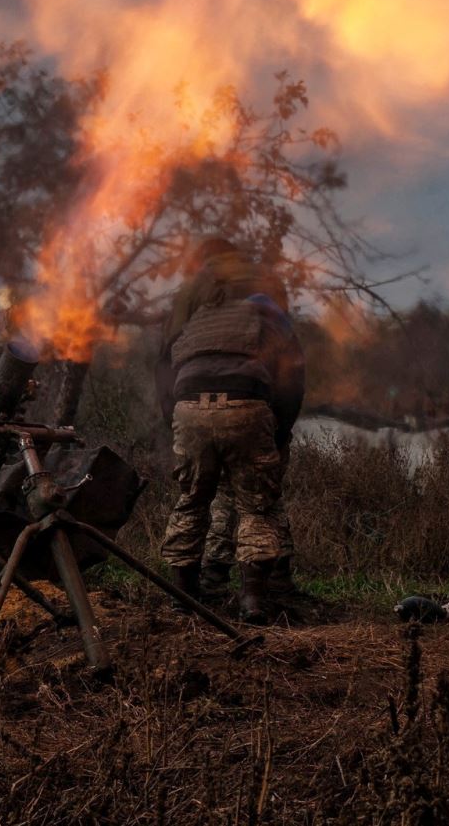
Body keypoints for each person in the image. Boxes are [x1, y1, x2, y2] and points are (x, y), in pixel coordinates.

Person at [158, 239, 303, 622]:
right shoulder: (266, 295)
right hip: (248, 402)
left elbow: (163, 366)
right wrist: (280, 429)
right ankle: (253, 601)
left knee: (191, 501)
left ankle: (184, 599)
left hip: (188, 405)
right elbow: (292, 371)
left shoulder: (191, 302)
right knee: (256, 506)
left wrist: (172, 418)